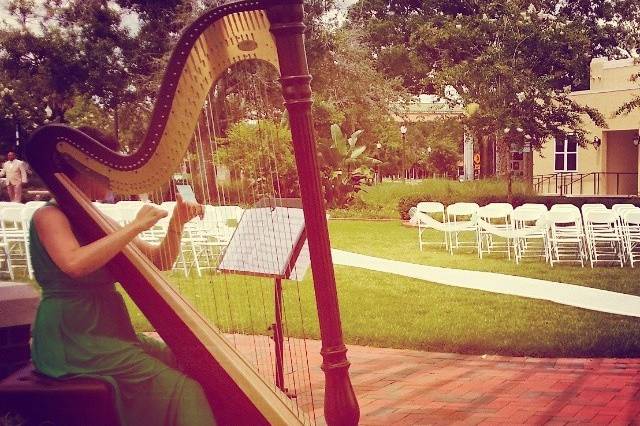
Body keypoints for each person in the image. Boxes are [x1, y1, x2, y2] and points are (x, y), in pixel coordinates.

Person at [28, 128, 216, 426]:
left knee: (190, 361)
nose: (114, 177)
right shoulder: (49, 216)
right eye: (108, 169)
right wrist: (135, 227)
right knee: (185, 389)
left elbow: (159, 261)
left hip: (108, 331)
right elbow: (74, 265)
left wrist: (177, 223)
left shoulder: (96, 217)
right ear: (85, 168)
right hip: (72, 336)